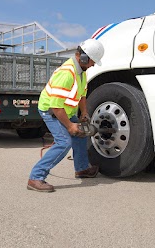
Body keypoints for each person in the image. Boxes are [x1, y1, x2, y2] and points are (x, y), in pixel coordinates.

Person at [27, 39, 105, 192]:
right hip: (51, 110)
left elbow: (82, 95)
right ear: (83, 58)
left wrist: (84, 113)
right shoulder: (67, 73)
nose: (93, 65)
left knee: (81, 134)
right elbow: (56, 107)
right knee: (64, 142)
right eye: (93, 61)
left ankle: (81, 169)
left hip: (66, 111)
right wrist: (69, 126)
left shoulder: (81, 73)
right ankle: (35, 177)